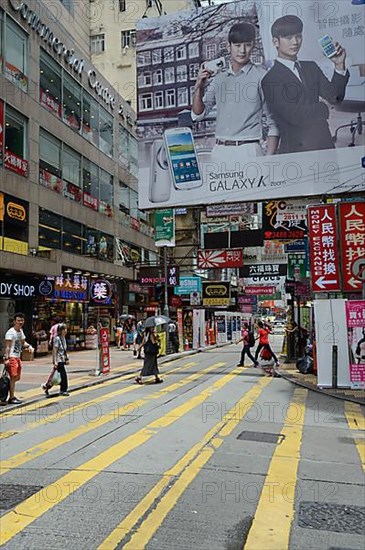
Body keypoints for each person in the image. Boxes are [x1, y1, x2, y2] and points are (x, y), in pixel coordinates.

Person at [191, 21, 279, 164]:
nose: (242, 50)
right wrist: (199, 87)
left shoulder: (262, 76)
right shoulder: (219, 78)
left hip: (249, 150)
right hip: (220, 151)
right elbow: (197, 115)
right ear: (229, 46)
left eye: (247, 44)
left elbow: (274, 122)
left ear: (253, 45)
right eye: (237, 45)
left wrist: (268, 160)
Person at [261, 15, 349, 154]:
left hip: (324, 145)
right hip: (296, 151)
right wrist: (323, 108)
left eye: (298, 36)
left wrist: (339, 65)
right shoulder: (270, 79)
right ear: (275, 41)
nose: (295, 42)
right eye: (288, 38)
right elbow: (294, 115)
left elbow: (335, 97)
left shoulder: (311, 67)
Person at [3, 312, 33, 405]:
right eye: (18, 320)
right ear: (14, 321)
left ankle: (8, 391)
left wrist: (29, 346)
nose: (20, 322)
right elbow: (7, 346)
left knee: (17, 377)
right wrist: (6, 358)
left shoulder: (20, 331)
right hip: (12, 357)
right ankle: (11, 397)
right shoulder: (10, 332)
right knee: (13, 377)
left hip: (17, 357)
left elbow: (23, 342)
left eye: (22, 320)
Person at [42, 323, 69, 396]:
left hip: (62, 359)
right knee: (63, 376)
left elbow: (64, 350)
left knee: (56, 377)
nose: (66, 331)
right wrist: (55, 361)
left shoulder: (63, 338)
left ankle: (47, 386)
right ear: (61, 330)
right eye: (64, 329)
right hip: (59, 360)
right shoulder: (57, 338)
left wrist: (66, 358)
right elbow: (55, 350)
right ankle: (63, 390)